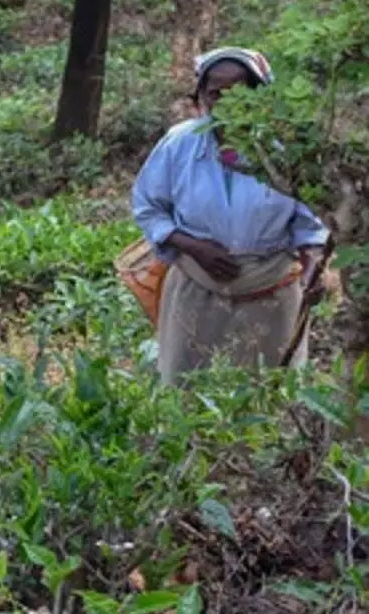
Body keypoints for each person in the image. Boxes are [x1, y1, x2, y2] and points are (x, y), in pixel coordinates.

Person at [132, 47, 330, 384]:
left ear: (260, 95)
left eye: (239, 92)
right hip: (196, 286)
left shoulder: (286, 149)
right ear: (201, 97)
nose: (226, 103)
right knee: (186, 392)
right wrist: (194, 246)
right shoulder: (179, 145)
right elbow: (149, 208)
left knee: (267, 395)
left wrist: (313, 268)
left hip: (272, 291)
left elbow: (310, 223)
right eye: (215, 93)